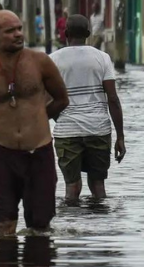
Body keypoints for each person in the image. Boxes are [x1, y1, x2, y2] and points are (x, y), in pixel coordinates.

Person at [0, 10, 69, 237]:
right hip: (2, 154)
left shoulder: (40, 62)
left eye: (20, 29)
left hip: (39, 152)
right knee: (5, 226)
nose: (18, 34)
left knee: (40, 227)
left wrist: (38, 117)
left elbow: (62, 99)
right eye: (10, 31)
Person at [50, 14, 126, 204]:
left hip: (67, 132)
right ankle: (98, 228)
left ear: (65, 33)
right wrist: (120, 136)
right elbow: (113, 99)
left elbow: (46, 100)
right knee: (98, 186)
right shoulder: (102, 58)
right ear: (88, 34)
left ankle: (73, 226)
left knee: (72, 188)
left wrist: (60, 120)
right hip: (98, 129)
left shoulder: (53, 60)